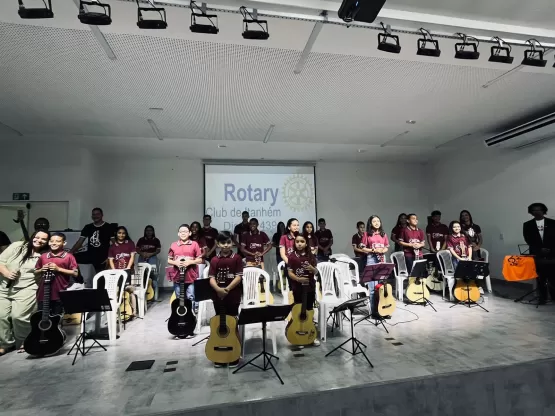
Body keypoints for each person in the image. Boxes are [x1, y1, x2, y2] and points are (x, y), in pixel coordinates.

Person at [0, 230, 50, 355]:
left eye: (43, 239)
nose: (39, 240)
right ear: (32, 236)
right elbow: (1, 261)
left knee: (19, 317)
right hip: (4, 287)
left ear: (47, 242)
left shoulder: (45, 256)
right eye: (37, 237)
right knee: (1, 316)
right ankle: (6, 344)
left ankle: (24, 341)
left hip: (27, 288)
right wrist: (6, 272)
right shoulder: (17, 246)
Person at [209, 231, 243, 368]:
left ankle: (235, 350)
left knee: (232, 322)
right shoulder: (214, 260)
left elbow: (238, 276)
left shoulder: (237, 258)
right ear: (217, 244)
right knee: (220, 322)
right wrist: (218, 289)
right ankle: (220, 349)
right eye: (223, 243)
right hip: (217, 296)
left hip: (233, 295)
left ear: (232, 243)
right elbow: (211, 278)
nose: (226, 245)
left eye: (229, 242)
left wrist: (227, 289)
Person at [34, 233, 78, 317]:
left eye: (57, 241)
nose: (54, 243)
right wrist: (41, 269)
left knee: (56, 321)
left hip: (60, 294)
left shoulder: (69, 256)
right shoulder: (43, 256)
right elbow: (35, 271)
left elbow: (75, 273)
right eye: (51, 241)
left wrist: (58, 269)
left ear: (64, 243)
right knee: (41, 319)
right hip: (43, 294)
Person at [287, 233, 320, 347]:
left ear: (306, 243)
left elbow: (316, 272)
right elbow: (290, 272)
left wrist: (312, 268)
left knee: (309, 311)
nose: (299, 244)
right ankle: (298, 336)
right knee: (299, 310)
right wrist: (298, 279)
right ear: (294, 243)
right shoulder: (292, 256)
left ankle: (310, 335)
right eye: (297, 242)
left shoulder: (311, 256)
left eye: (302, 242)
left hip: (310, 287)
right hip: (298, 288)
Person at [70, 208, 116, 287]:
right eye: (93, 214)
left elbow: (114, 244)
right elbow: (80, 242)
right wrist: (70, 253)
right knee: (72, 258)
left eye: (97, 214)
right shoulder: (88, 227)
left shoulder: (109, 227)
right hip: (90, 255)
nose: (95, 216)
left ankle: (101, 294)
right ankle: (80, 281)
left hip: (103, 257)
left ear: (102, 215)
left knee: (100, 280)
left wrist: (110, 257)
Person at [167, 224, 204, 313]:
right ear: (178, 234)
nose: (183, 233)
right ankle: (181, 314)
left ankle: (191, 315)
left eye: (185, 231)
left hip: (191, 277)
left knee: (191, 296)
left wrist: (189, 262)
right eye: (181, 232)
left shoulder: (194, 244)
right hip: (177, 277)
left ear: (190, 233)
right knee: (179, 297)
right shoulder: (173, 245)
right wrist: (176, 262)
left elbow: (199, 259)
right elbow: (169, 260)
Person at [523, 203, 555, 304]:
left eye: (539, 209)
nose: (537, 212)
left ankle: (554, 297)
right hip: (537, 254)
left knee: (553, 277)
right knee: (540, 277)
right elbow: (528, 240)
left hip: (552, 253)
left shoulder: (552, 223)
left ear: (543, 210)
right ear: (531, 212)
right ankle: (543, 298)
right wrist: (540, 249)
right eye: (534, 210)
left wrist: (549, 249)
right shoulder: (527, 225)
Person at [361, 216, 389, 317]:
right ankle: (374, 312)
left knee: (382, 287)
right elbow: (363, 248)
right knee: (373, 288)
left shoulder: (383, 234)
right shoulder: (366, 234)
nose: (376, 223)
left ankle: (384, 310)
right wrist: (374, 250)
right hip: (372, 259)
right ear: (370, 223)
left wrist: (382, 251)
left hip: (382, 259)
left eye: (378, 221)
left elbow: (386, 247)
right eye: (374, 221)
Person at [108, 226, 137, 317]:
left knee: (130, 290)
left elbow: (132, 257)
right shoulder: (112, 247)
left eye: (123, 233)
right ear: (116, 234)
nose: (121, 235)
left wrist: (127, 268)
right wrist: (114, 271)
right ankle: (118, 311)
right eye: (119, 233)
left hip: (128, 271)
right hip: (117, 272)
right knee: (117, 291)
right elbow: (111, 260)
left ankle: (134, 311)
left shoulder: (130, 243)